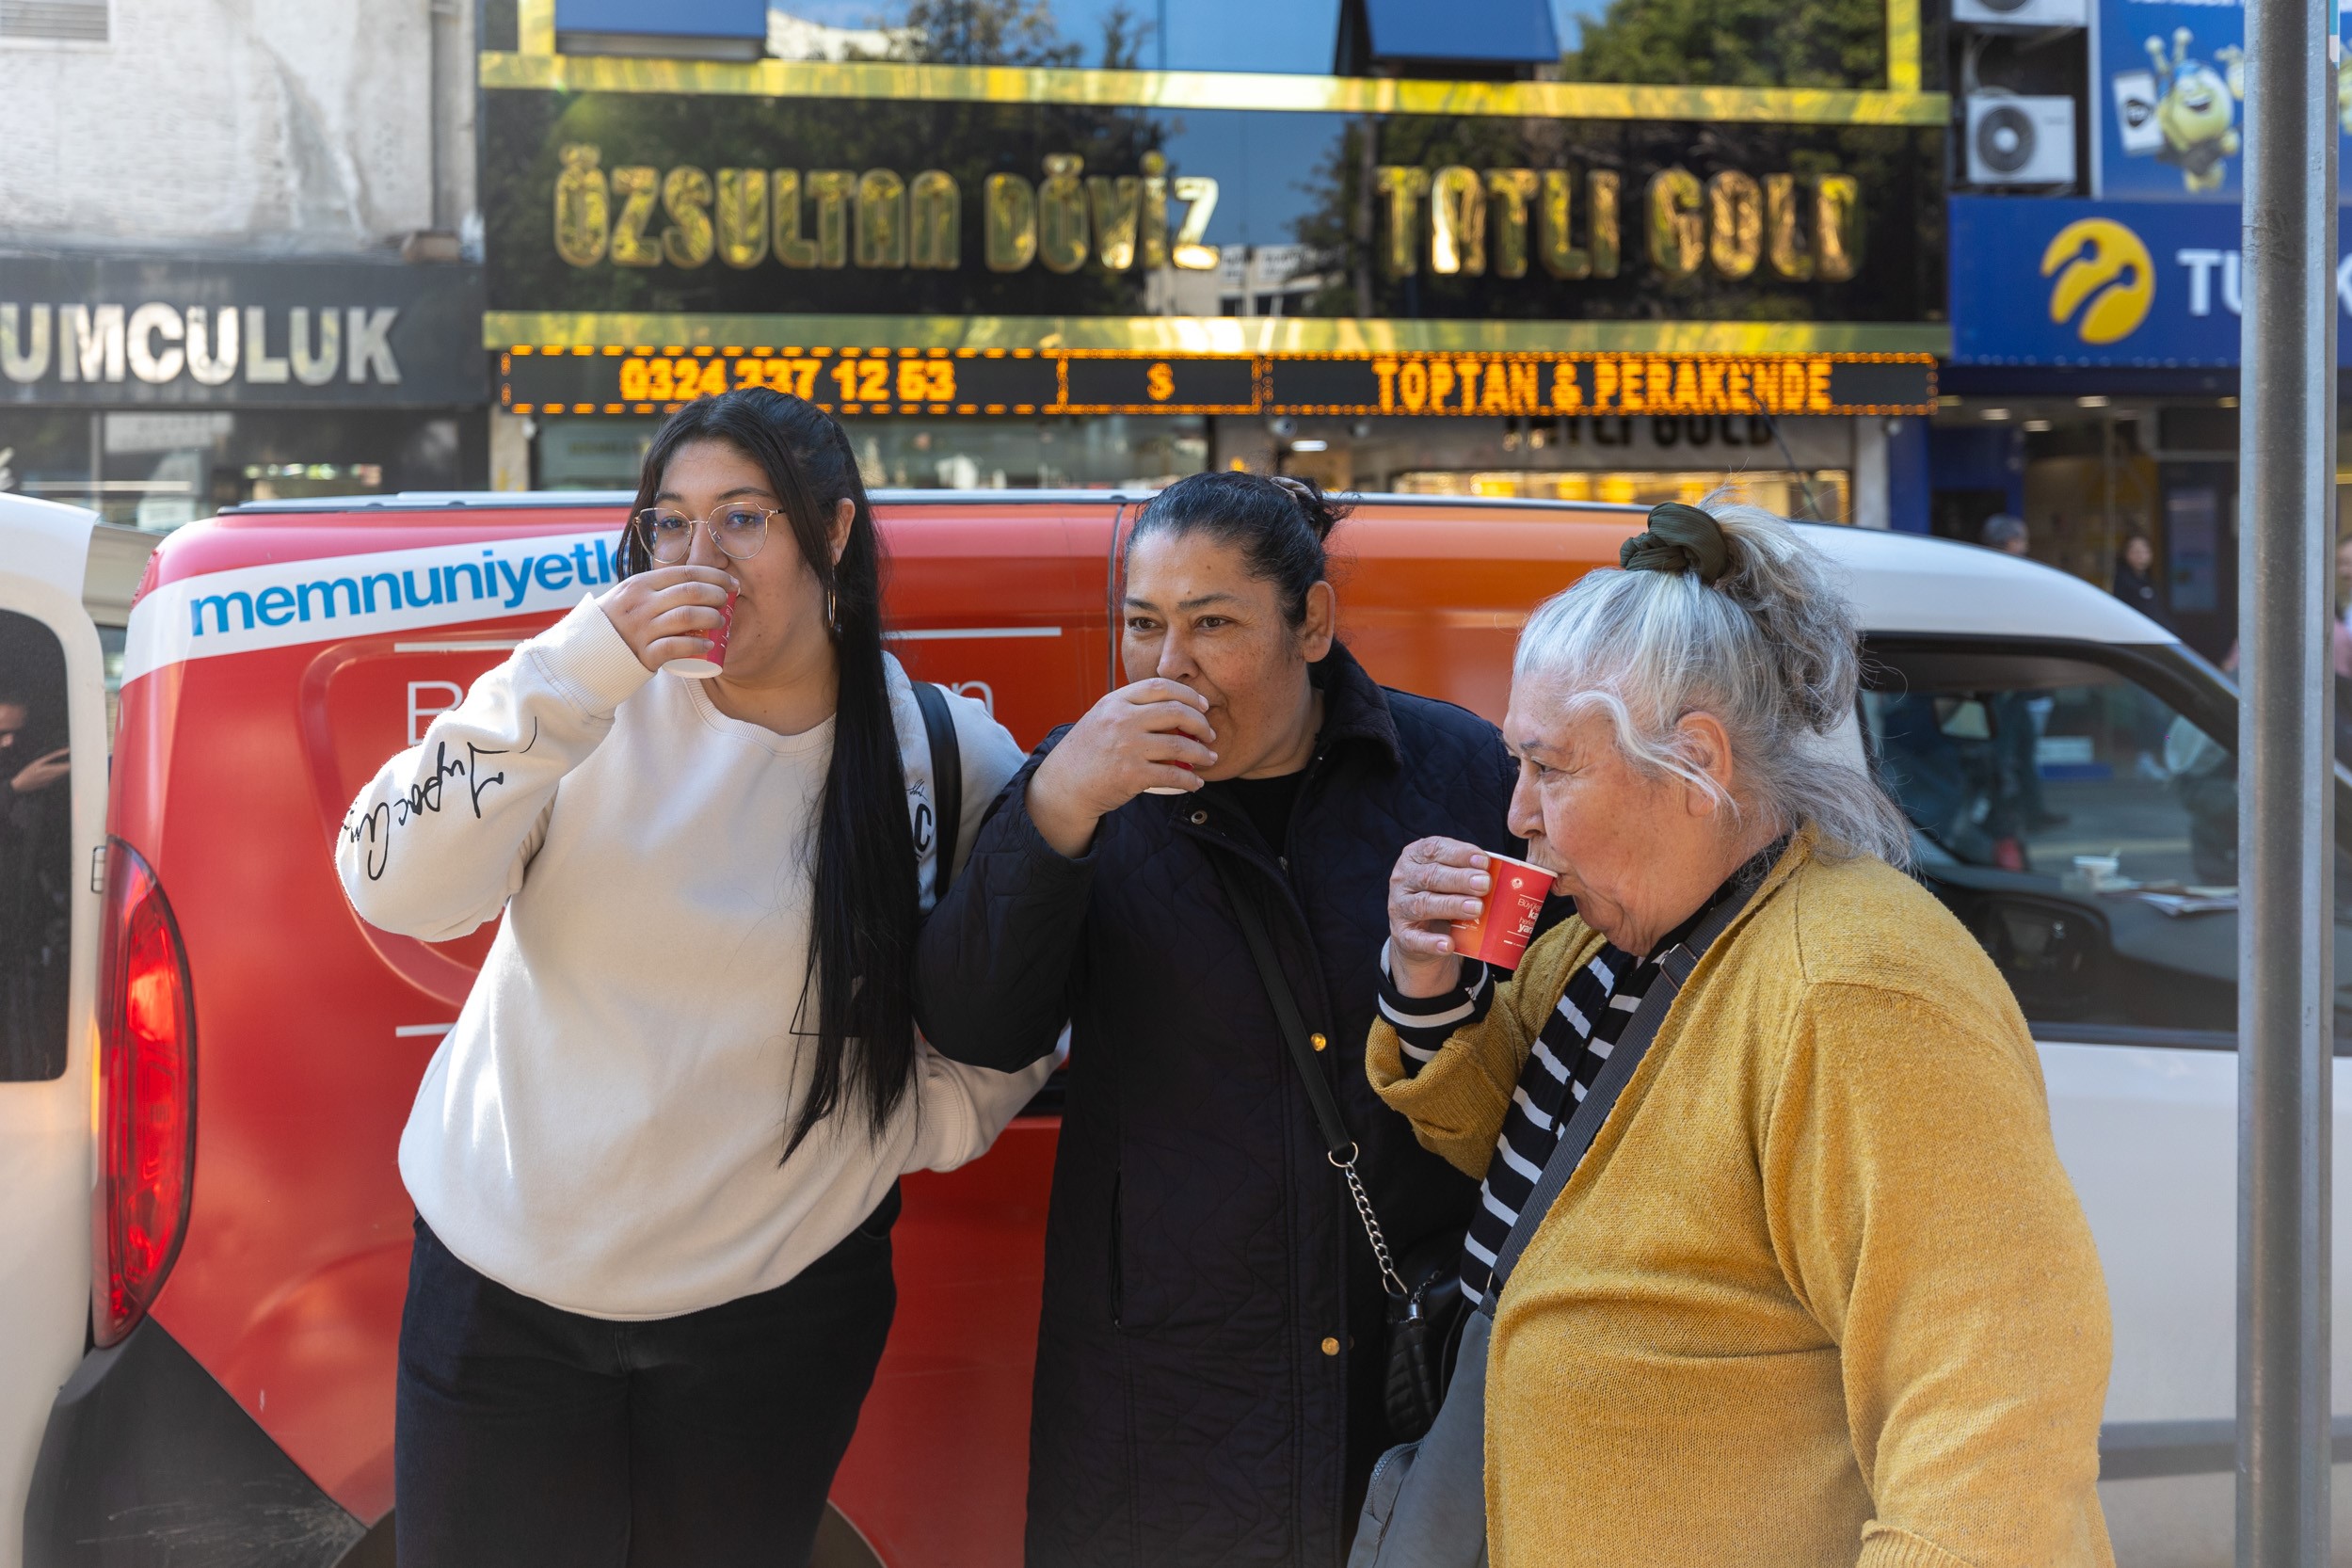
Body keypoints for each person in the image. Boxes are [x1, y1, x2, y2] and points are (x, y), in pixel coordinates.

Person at [336, 388, 1048, 1568]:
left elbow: (1030, 977)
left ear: (833, 533)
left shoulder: (935, 745)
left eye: (741, 520)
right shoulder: (587, 707)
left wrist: (917, 1121)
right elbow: (386, 878)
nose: (696, 560)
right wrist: (578, 663)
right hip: (500, 1302)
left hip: (776, 1318)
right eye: (669, 524)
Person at [1377, 501, 2113, 1567]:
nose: (1518, 812)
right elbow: (1509, 1144)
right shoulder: (1606, 933)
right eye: (1517, 762)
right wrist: (1426, 981)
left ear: (1697, 762)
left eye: (1553, 767)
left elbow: (1994, 1425)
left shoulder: (1854, 989)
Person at [915, 471, 1522, 1568]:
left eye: (1214, 625)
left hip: (1399, 1371)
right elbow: (975, 1026)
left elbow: (1534, 1050)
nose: (1167, 669)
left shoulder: (1457, 772)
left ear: (1314, 625)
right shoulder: (1084, 792)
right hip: (1167, 1394)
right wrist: (1056, 812)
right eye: (1143, 626)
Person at [2112, 533, 2167, 626]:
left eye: (2145, 552)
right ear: (2126, 554)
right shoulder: (2122, 580)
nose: (2141, 556)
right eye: (2136, 552)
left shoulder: (2152, 580)